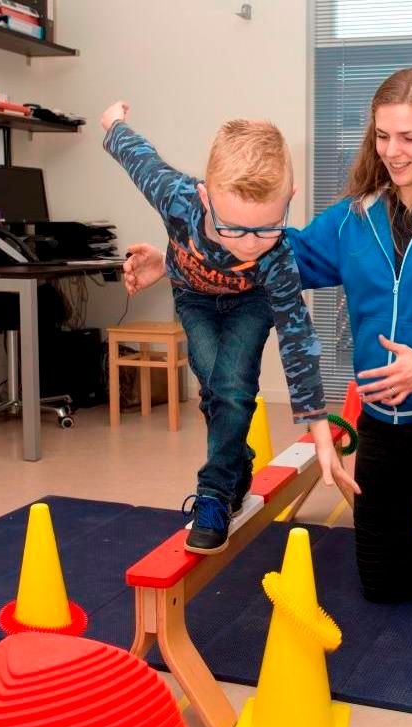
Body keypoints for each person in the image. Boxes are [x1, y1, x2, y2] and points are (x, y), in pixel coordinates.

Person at [121, 67, 412, 617]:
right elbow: (265, 252)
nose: (392, 152)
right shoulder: (355, 218)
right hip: (383, 428)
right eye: (382, 136)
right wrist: (179, 262)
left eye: (409, 137)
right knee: (382, 584)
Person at [101, 101, 359, 556]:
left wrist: (319, 427)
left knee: (232, 389)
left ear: (289, 198)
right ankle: (238, 467)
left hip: (250, 304)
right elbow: (139, 158)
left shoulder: (277, 259)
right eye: (233, 229)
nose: (250, 244)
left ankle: (214, 495)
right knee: (215, 391)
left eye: (267, 229)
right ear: (205, 199)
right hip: (194, 298)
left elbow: (298, 339)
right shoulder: (176, 197)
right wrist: (114, 124)